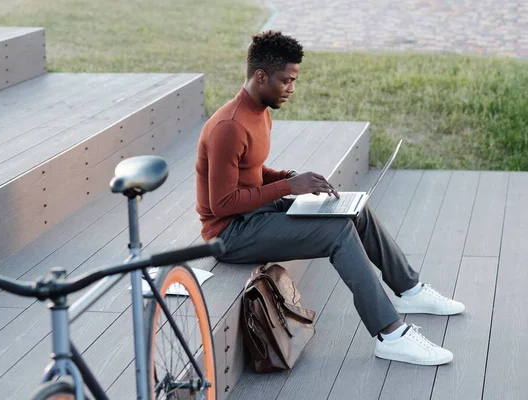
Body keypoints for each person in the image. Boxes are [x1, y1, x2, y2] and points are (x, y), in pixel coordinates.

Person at [194, 30, 465, 366]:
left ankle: (408, 289)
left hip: (258, 210)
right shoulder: (229, 127)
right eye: (287, 80)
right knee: (337, 233)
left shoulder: (260, 110)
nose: (292, 88)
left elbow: (252, 171)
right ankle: (391, 336)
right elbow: (222, 204)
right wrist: (288, 189)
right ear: (261, 77)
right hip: (231, 234)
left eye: (294, 79)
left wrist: (290, 178)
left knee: (354, 207)